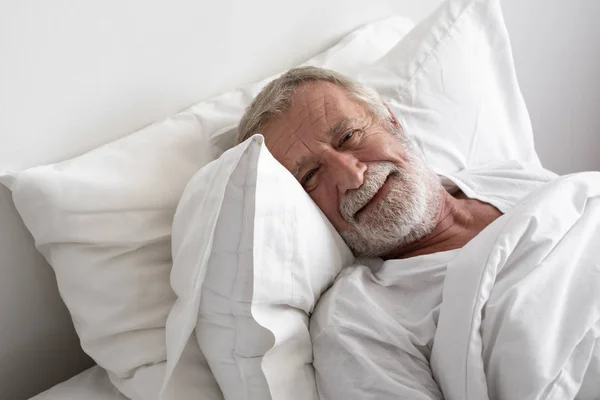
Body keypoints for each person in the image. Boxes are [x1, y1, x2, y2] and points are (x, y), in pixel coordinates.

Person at [236, 66, 557, 399]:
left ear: (390, 120)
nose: (352, 177)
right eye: (311, 177)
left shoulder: (510, 178)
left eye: (348, 137)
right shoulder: (358, 320)